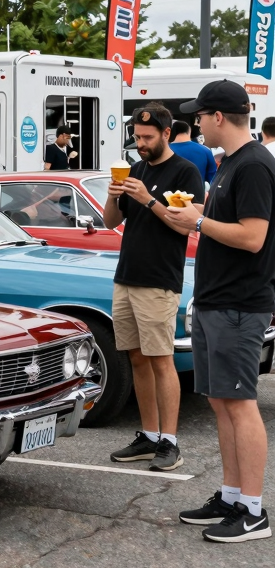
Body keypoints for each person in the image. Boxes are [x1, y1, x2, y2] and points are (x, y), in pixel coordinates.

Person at [166, 80, 275, 542]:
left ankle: (253, 511)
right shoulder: (230, 162)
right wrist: (194, 214)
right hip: (216, 299)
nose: (196, 124)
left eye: (199, 116)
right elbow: (227, 224)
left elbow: (253, 237)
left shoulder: (254, 165)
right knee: (220, 401)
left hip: (239, 303)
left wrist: (198, 221)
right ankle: (232, 497)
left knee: (240, 404)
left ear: (217, 117)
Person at [104, 103, 203, 472]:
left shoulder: (186, 171)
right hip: (127, 274)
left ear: (166, 133)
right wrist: (113, 194)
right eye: (137, 137)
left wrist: (148, 199)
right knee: (136, 357)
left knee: (162, 360)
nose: (141, 143)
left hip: (159, 279)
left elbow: (186, 225)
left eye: (147, 137)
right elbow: (110, 221)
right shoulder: (135, 169)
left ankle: (170, 442)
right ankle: (148, 436)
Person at [170, 119, 217, 186]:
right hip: (197, 191)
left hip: (169, 192)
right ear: (189, 131)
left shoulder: (165, 151)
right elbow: (213, 179)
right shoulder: (205, 150)